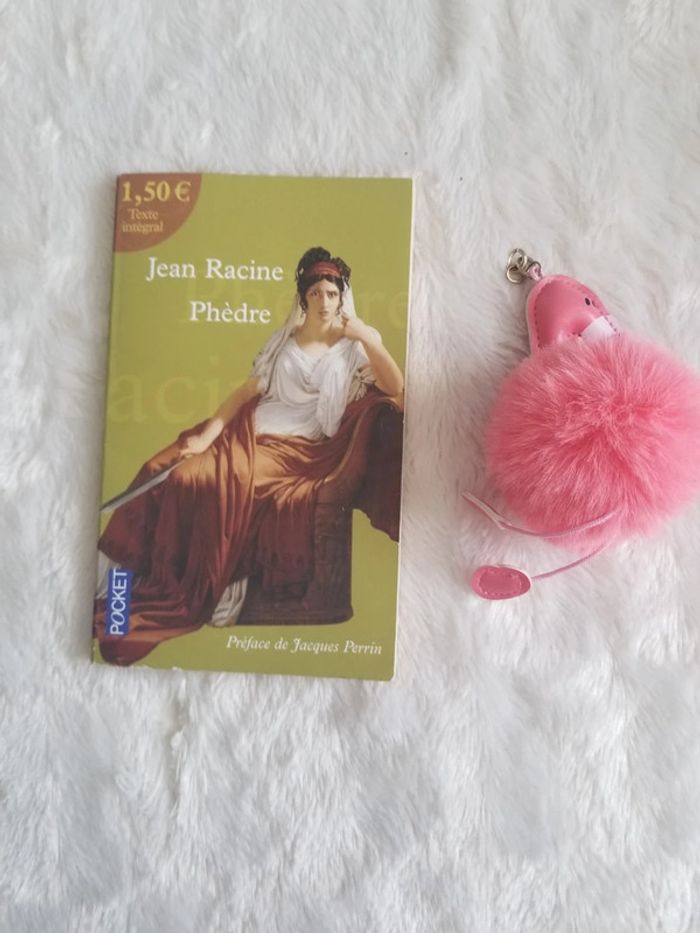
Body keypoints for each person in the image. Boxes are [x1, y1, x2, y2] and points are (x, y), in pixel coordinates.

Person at [94, 247, 405, 665]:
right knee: (162, 469)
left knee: (194, 480)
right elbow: (245, 392)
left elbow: (395, 387)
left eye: (332, 293)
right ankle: (115, 585)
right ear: (304, 297)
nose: (324, 301)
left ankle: (185, 586)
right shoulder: (286, 339)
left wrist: (365, 336)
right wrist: (207, 436)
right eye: (316, 293)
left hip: (297, 450)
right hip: (247, 431)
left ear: (342, 297)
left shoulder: (355, 347)